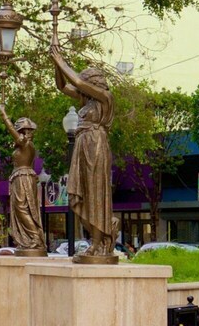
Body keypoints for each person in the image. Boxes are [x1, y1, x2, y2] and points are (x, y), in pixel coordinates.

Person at [50, 41, 117, 264]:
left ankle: (99, 242)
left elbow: (76, 81)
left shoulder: (105, 98)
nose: (82, 87)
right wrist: (55, 64)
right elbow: (62, 86)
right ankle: (95, 239)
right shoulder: (86, 100)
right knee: (80, 194)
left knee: (95, 193)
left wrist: (62, 60)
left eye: (86, 82)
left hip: (96, 145)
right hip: (82, 144)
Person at [0, 105, 45, 256]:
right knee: (23, 208)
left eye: (25, 131)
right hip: (22, 177)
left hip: (23, 177)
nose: (26, 134)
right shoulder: (26, 145)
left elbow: (12, 131)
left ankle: (35, 237)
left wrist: (4, 115)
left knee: (22, 207)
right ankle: (31, 237)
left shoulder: (26, 144)